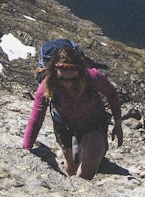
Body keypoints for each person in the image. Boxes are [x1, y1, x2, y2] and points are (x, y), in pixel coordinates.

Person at [21, 43, 123, 179]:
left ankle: (81, 186)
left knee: (90, 162)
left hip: (92, 123)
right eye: (62, 79)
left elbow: (112, 94)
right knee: (71, 167)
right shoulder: (48, 85)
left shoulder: (92, 77)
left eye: (72, 79)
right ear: (54, 72)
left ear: (80, 72)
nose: (67, 83)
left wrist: (118, 123)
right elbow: (36, 119)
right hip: (64, 126)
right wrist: (26, 148)